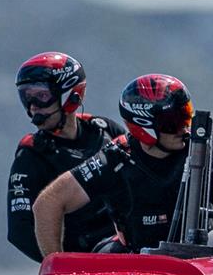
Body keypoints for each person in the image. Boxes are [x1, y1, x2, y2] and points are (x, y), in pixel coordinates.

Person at [33, 74, 213, 257]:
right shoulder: (114, 158)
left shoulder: (200, 152)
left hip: (194, 263)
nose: (185, 129)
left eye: (186, 117)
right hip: (134, 263)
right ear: (144, 128)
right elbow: (48, 203)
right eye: (174, 123)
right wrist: (55, 268)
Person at [7, 52, 125, 262]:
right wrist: (64, 265)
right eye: (26, 96)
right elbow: (20, 232)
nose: (33, 105)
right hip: (81, 268)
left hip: (129, 254)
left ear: (72, 95)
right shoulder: (31, 153)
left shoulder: (105, 130)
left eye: (41, 96)